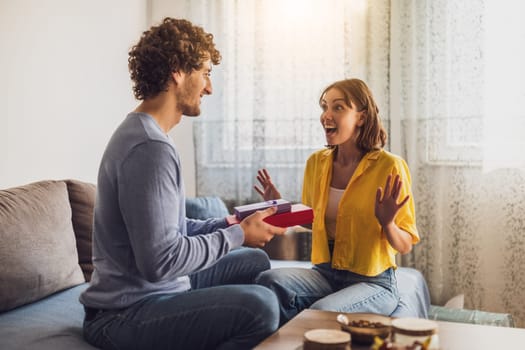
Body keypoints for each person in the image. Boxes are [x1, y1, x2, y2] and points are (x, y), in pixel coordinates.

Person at [79, 17, 287, 350]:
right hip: (123, 313)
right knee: (261, 306)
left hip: (151, 293)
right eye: (205, 73)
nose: (209, 88)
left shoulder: (145, 134)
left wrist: (232, 222)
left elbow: (169, 228)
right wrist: (237, 235)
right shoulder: (149, 148)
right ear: (177, 71)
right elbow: (160, 262)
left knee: (256, 261)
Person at [254, 78, 419, 326]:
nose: (326, 115)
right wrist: (280, 207)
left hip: (373, 281)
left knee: (320, 312)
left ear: (361, 117)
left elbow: (405, 244)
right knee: (267, 281)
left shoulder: (389, 166)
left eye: (338, 107)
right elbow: (314, 221)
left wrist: (388, 224)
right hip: (325, 274)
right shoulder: (316, 163)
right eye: (324, 107)